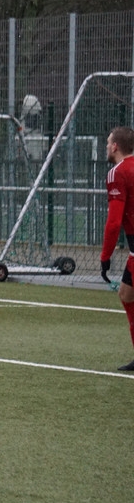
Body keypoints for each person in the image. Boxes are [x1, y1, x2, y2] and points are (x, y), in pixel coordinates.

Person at [99, 126, 134, 371]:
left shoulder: (118, 173)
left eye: (108, 142)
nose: (106, 146)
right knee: (126, 294)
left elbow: (114, 222)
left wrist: (105, 256)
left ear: (115, 146)